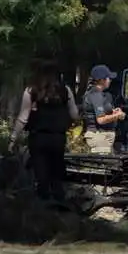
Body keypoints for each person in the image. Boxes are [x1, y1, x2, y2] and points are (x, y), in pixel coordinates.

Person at [10, 66, 79, 202]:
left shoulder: (31, 91)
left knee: (41, 174)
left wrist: (13, 138)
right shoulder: (65, 91)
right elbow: (74, 115)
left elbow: (23, 118)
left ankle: (43, 204)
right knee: (56, 172)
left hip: (38, 137)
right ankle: (59, 203)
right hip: (58, 137)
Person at [81, 64, 124, 154]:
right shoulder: (96, 95)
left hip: (102, 137)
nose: (110, 80)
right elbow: (100, 119)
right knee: (103, 166)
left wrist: (113, 112)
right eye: (108, 78)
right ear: (101, 80)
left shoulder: (99, 94)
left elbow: (100, 111)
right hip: (99, 137)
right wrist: (117, 115)